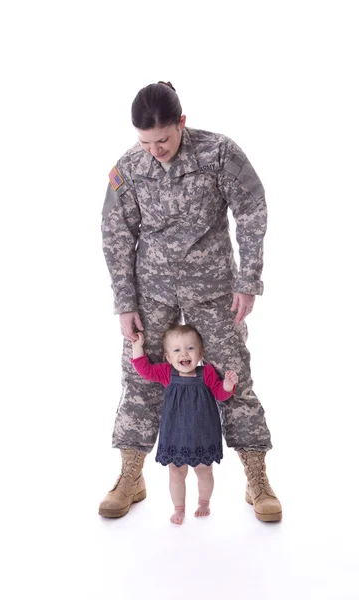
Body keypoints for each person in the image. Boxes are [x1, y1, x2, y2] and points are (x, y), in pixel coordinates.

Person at [99, 81, 282, 522]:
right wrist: (125, 302)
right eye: (145, 141)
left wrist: (248, 280)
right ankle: (131, 476)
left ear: (182, 122)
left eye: (163, 139)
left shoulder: (218, 153)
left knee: (233, 377)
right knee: (141, 380)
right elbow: (115, 235)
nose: (155, 149)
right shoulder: (128, 167)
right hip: (153, 291)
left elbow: (252, 207)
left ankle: (257, 480)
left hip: (215, 290)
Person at [131, 323, 238, 524]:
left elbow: (220, 393)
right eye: (177, 350)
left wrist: (228, 385)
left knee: (204, 470)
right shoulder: (165, 373)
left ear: (200, 352)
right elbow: (145, 371)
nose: (184, 354)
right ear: (168, 357)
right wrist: (137, 347)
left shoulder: (206, 373)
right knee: (176, 472)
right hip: (175, 434)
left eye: (190, 348)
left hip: (203, 433)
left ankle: (204, 502)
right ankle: (179, 508)